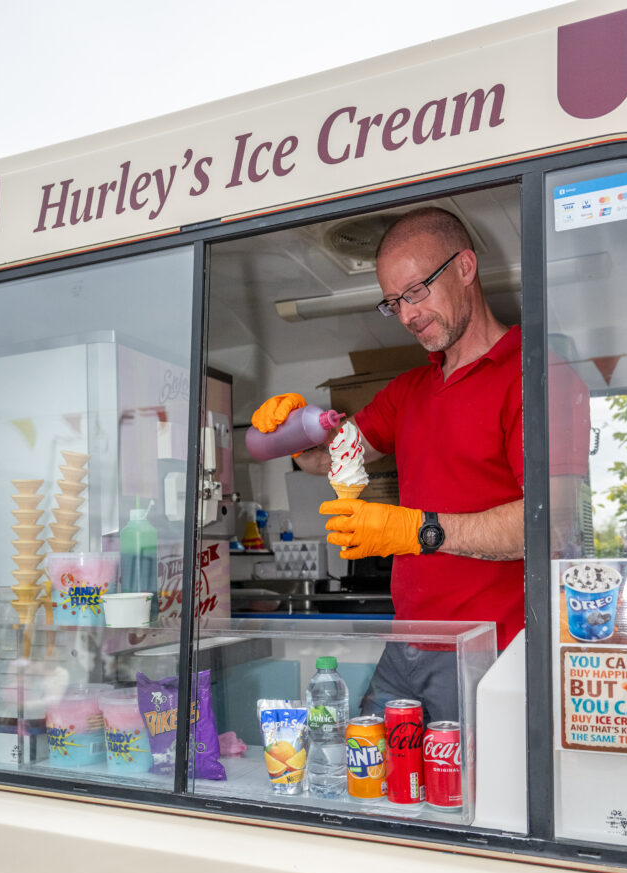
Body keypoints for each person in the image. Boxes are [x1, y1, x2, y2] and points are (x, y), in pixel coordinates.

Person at [252, 206, 589, 725]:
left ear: (465, 268)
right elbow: (328, 457)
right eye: (393, 302)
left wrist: (419, 530)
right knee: (367, 779)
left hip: (491, 651)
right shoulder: (408, 392)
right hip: (406, 642)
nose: (407, 315)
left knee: (471, 799)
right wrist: (297, 428)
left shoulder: (537, 375)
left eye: (416, 291)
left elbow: (554, 524)